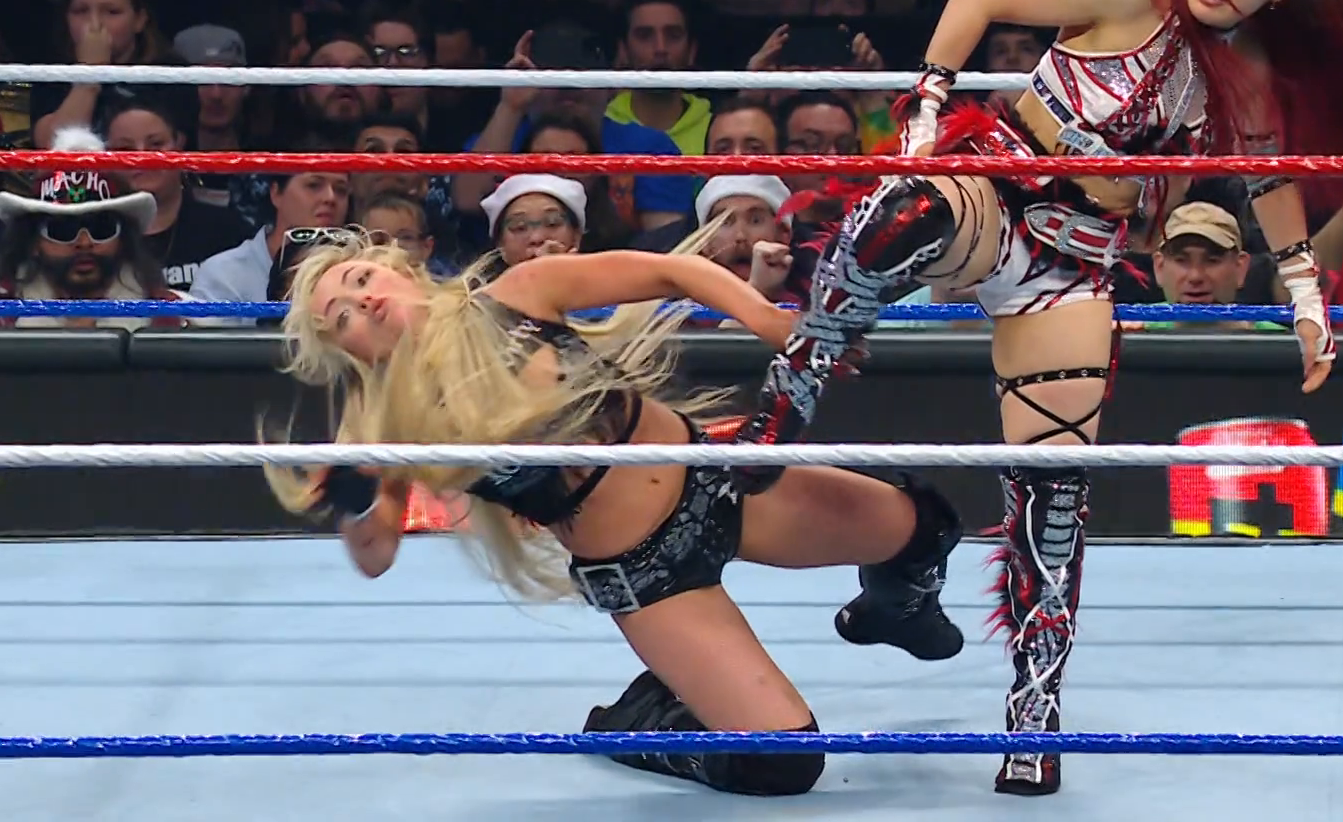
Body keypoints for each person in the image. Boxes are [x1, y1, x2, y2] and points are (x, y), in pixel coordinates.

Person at [734, 0, 1343, 795]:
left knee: (1055, 493)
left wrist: (1305, 294)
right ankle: (791, 392)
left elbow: (1268, 178)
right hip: (994, 193)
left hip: (1075, 262)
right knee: (900, 211)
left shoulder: (1246, 79)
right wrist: (927, 107)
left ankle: (1034, 713)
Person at [262, 233, 965, 797]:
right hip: (650, 575)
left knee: (928, 524)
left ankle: (895, 609)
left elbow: (669, 272)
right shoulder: (386, 429)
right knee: (782, 764)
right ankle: (643, 719)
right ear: (344, 352)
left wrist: (772, 323)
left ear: (400, 271)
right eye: (341, 317)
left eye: (361, 280)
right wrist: (354, 501)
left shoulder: (518, 294)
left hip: (720, 482)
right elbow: (376, 556)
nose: (363, 303)